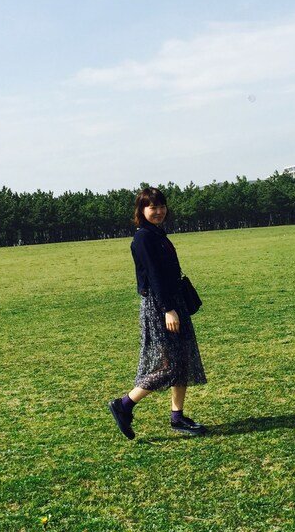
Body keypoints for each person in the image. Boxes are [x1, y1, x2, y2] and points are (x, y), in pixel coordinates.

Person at [108, 187, 207, 439]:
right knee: (170, 364)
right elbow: (153, 277)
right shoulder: (143, 238)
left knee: (182, 360)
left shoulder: (158, 234)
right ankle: (124, 404)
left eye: (162, 206)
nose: (159, 211)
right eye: (153, 207)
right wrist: (168, 310)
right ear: (141, 210)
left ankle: (177, 416)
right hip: (160, 306)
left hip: (173, 302)